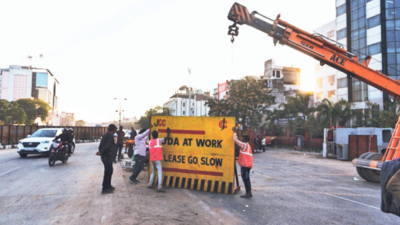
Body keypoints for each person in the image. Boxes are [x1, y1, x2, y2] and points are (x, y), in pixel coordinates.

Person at [96, 124, 117, 194]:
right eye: (115, 129)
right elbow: (107, 146)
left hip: (106, 156)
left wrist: (101, 151)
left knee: (109, 170)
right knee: (108, 171)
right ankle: (105, 188)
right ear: (113, 129)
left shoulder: (106, 135)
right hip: (107, 156)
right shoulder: (109, 136)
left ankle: (108, 185)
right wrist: (101, 152)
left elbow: (101, 145)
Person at [233, 127, 253, 198]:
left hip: (245, 166)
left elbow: (235, 140)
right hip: (247, 165)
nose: (241, 139)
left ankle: (248, 194)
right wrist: (236, 158)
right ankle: (249, 193)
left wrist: (234, 132)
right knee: (247, 179)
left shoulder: (244, 145)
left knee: (245, 179)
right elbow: (243, 156)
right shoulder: (247, 146)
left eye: (242, 138)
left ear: (246, 140)